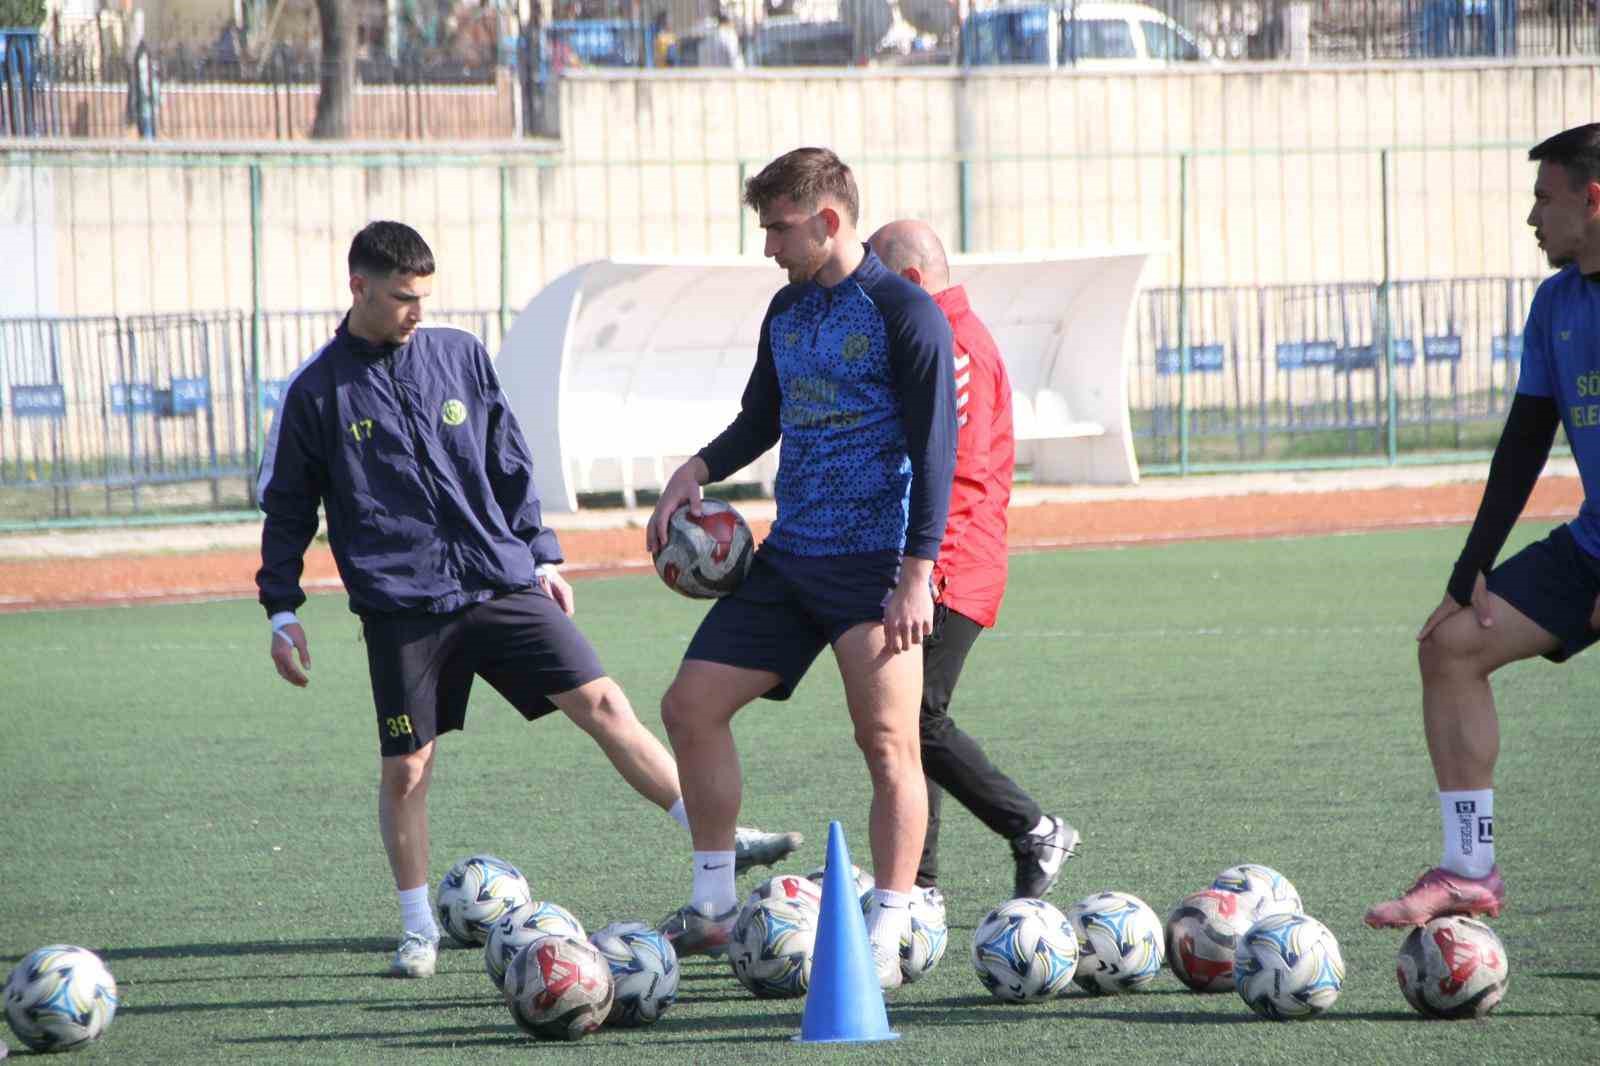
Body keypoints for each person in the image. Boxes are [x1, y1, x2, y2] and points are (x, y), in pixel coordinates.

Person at [255, 221, 799, 979]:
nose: (417, 311)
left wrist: (541, 554)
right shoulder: (316, 392)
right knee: (409, 769)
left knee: (607, 705)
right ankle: (418, 930)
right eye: (403, 298)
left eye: (425, 297)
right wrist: (282, 610)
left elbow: (508, 457)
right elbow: (288, 509)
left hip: (499, 578)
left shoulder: (459, 355)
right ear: (359, 288)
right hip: (404, 607)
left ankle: (712, 834)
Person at [647, 148, 957, 991]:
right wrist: (696, 470)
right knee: (689, 705)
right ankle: (713, 906)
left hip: (873, 565)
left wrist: (916, 572)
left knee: (889, 744)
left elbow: (936, 454)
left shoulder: (906, 314)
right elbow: (761, 416)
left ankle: (889, 926)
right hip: (789, 561)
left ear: (828, 221)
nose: (769, 246)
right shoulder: (785, 311)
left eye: (780, 228)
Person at [1365, 123, 1600, 929]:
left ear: (1593, 200)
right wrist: (1470, 568)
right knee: (1451, 644)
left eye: (1544, 198)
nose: (1533, 218)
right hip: (1591, 548)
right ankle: (1471, 869)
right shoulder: (1557, 303)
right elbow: (1526, 440)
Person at [866, 219, 1080, 906]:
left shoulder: (953, 344)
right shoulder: (942, 335)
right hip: (944, 560)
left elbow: (951, 473)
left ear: (909, 282)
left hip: (955, 562)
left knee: (915, 719)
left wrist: (920, 573)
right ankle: (919, 882)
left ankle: (1034, 827)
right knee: (904, 719)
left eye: (875, 287)